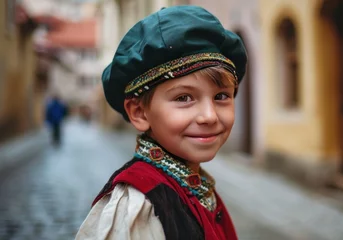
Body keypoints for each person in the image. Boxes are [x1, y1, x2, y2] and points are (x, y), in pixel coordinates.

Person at [75, 5, 247, 240]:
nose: (209, 116)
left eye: (221, 96)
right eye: (184, 98)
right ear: (140, 113)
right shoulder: (140, 207)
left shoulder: (195, 185)